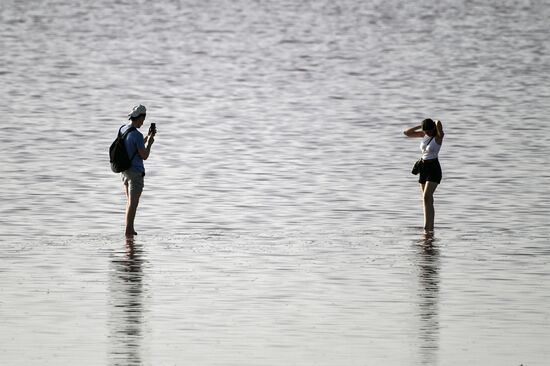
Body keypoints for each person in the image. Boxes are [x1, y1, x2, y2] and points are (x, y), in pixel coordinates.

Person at [119, 104, 155, 237]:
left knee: (129, 203)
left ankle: (130, 229)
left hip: (124, 172)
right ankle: (128, 232)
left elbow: (133, 147)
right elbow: (144, 155)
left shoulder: (123, 129)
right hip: (135, 175)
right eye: (143, 120)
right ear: (140, 118)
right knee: (133, 204)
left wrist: (145, 137)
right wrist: (150, 142)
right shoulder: (137, 135)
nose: (143, 122)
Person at [404, 118, 444, 232]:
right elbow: (407, 133)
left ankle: (428, 226)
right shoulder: (424, 134)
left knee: (427, 196)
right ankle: (428, 227)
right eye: (426, 131)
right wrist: (421, 126)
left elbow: (439, 123)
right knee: (426, 199)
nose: (428, 133)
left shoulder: (438, 137)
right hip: (423, 168)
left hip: (434, 168)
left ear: (433, 128)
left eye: (430, 130)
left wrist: (435, 123)